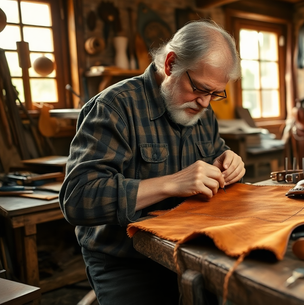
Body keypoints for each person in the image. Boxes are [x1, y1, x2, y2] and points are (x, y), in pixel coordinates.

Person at [59, 20, 246, 305]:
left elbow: (215, 160)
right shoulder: (114, 107)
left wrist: (230, 164)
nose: (206, 103)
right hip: (127, 259)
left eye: (214, 93)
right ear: (171, 64)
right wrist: (171, 184)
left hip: (189, 249)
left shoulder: (203, 113)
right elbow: (78, 199)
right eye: (199, 89)